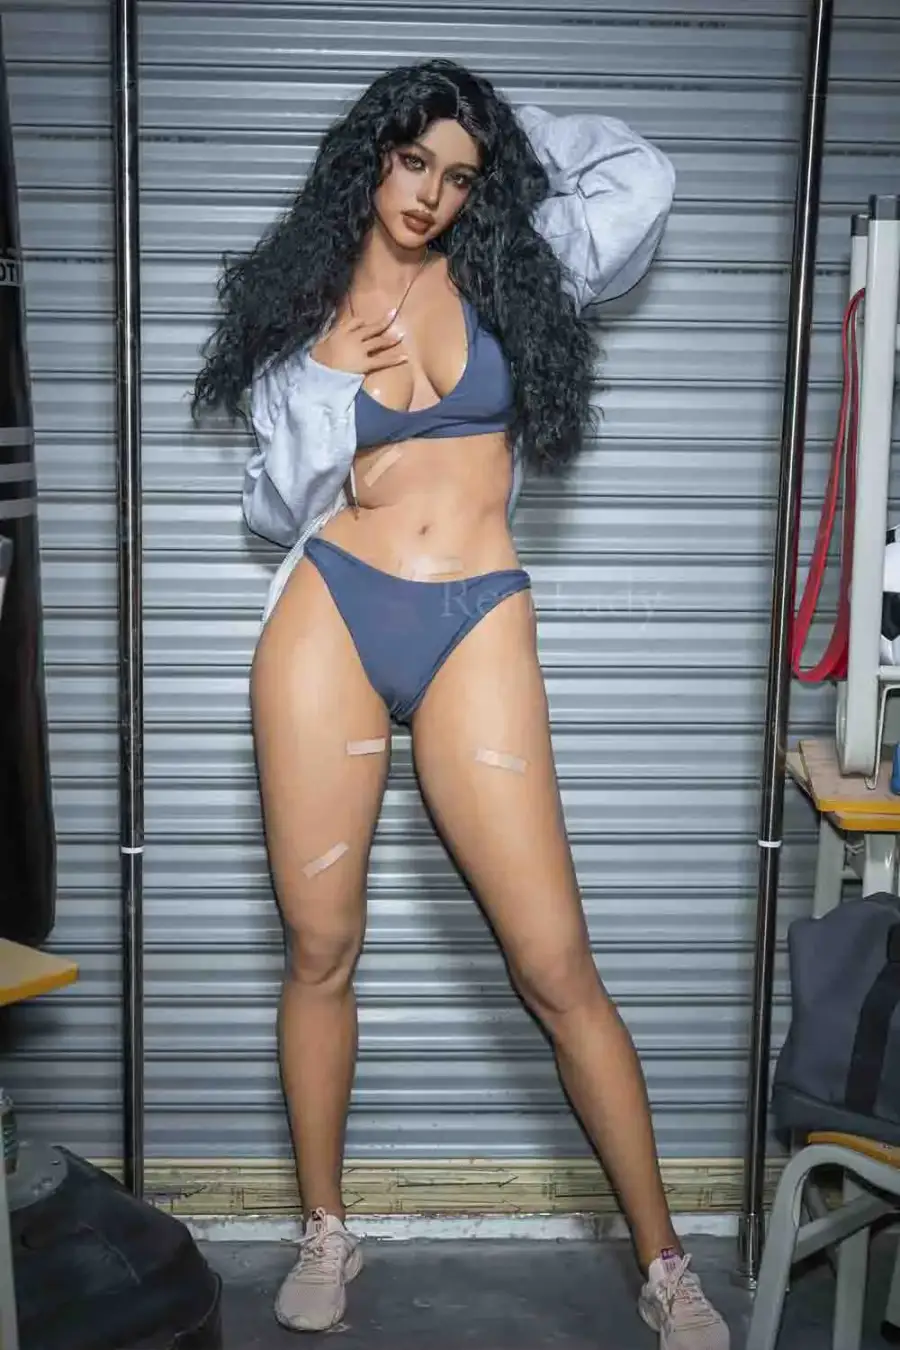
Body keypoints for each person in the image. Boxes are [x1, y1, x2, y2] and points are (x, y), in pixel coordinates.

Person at [193, 58, 729, 1350]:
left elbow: (643, 174)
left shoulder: (523, 265)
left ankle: (666, 1265)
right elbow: (271, 510)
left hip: (477, 612)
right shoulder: (304, 306)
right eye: (410, 159)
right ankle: (327, 1228)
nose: (429, 193)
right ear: (367, 159)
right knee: (320, 949)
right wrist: (332, 378)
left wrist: (492, 123)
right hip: (331, 610)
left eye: (457, 174)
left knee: (556, 963)